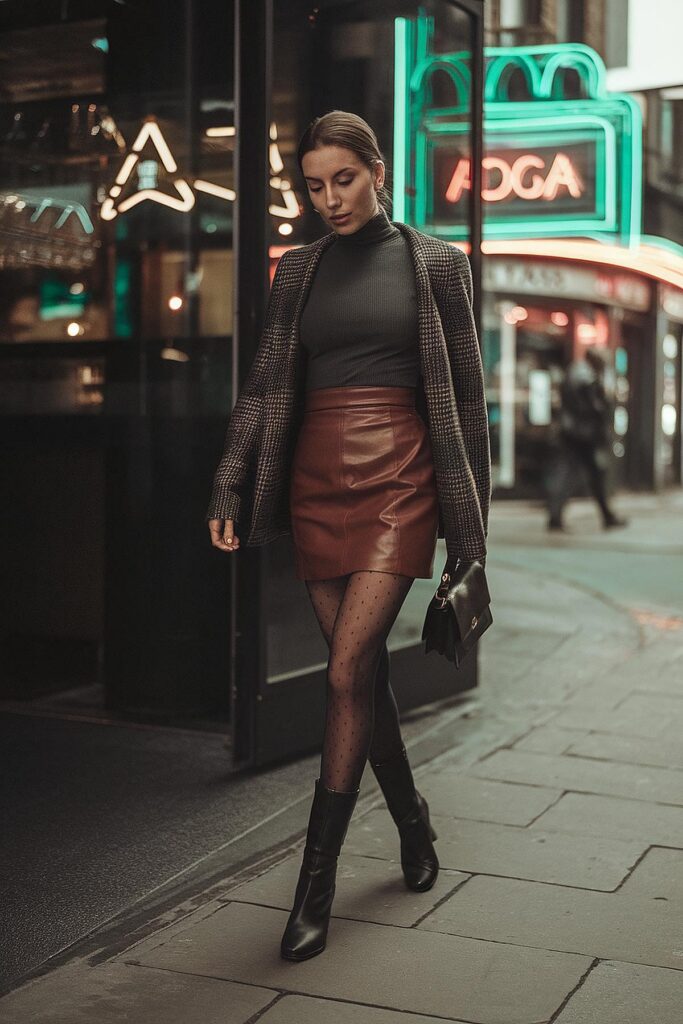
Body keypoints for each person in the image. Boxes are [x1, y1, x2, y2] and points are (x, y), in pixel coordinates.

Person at [206, 110, 490, 961]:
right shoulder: (297, 270)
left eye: (345, 179)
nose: (330, 198)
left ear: (377, 171)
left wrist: (470, 539)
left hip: (401, 473)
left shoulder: (438, 263)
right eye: (314, 184)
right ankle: (412, 823)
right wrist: (230, 477)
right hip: (315, 477)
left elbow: (467, 401)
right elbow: (261, 390)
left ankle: (313, 888)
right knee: (356, 676)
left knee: (341, 669)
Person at [547, 346, 628, 531]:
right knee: (584, 474)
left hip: (574, 432)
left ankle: (558, 514)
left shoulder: (575, 372)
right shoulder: (585, 377)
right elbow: (594, 407)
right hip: (582, 434)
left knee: (584, 474)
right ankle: (559, 515)